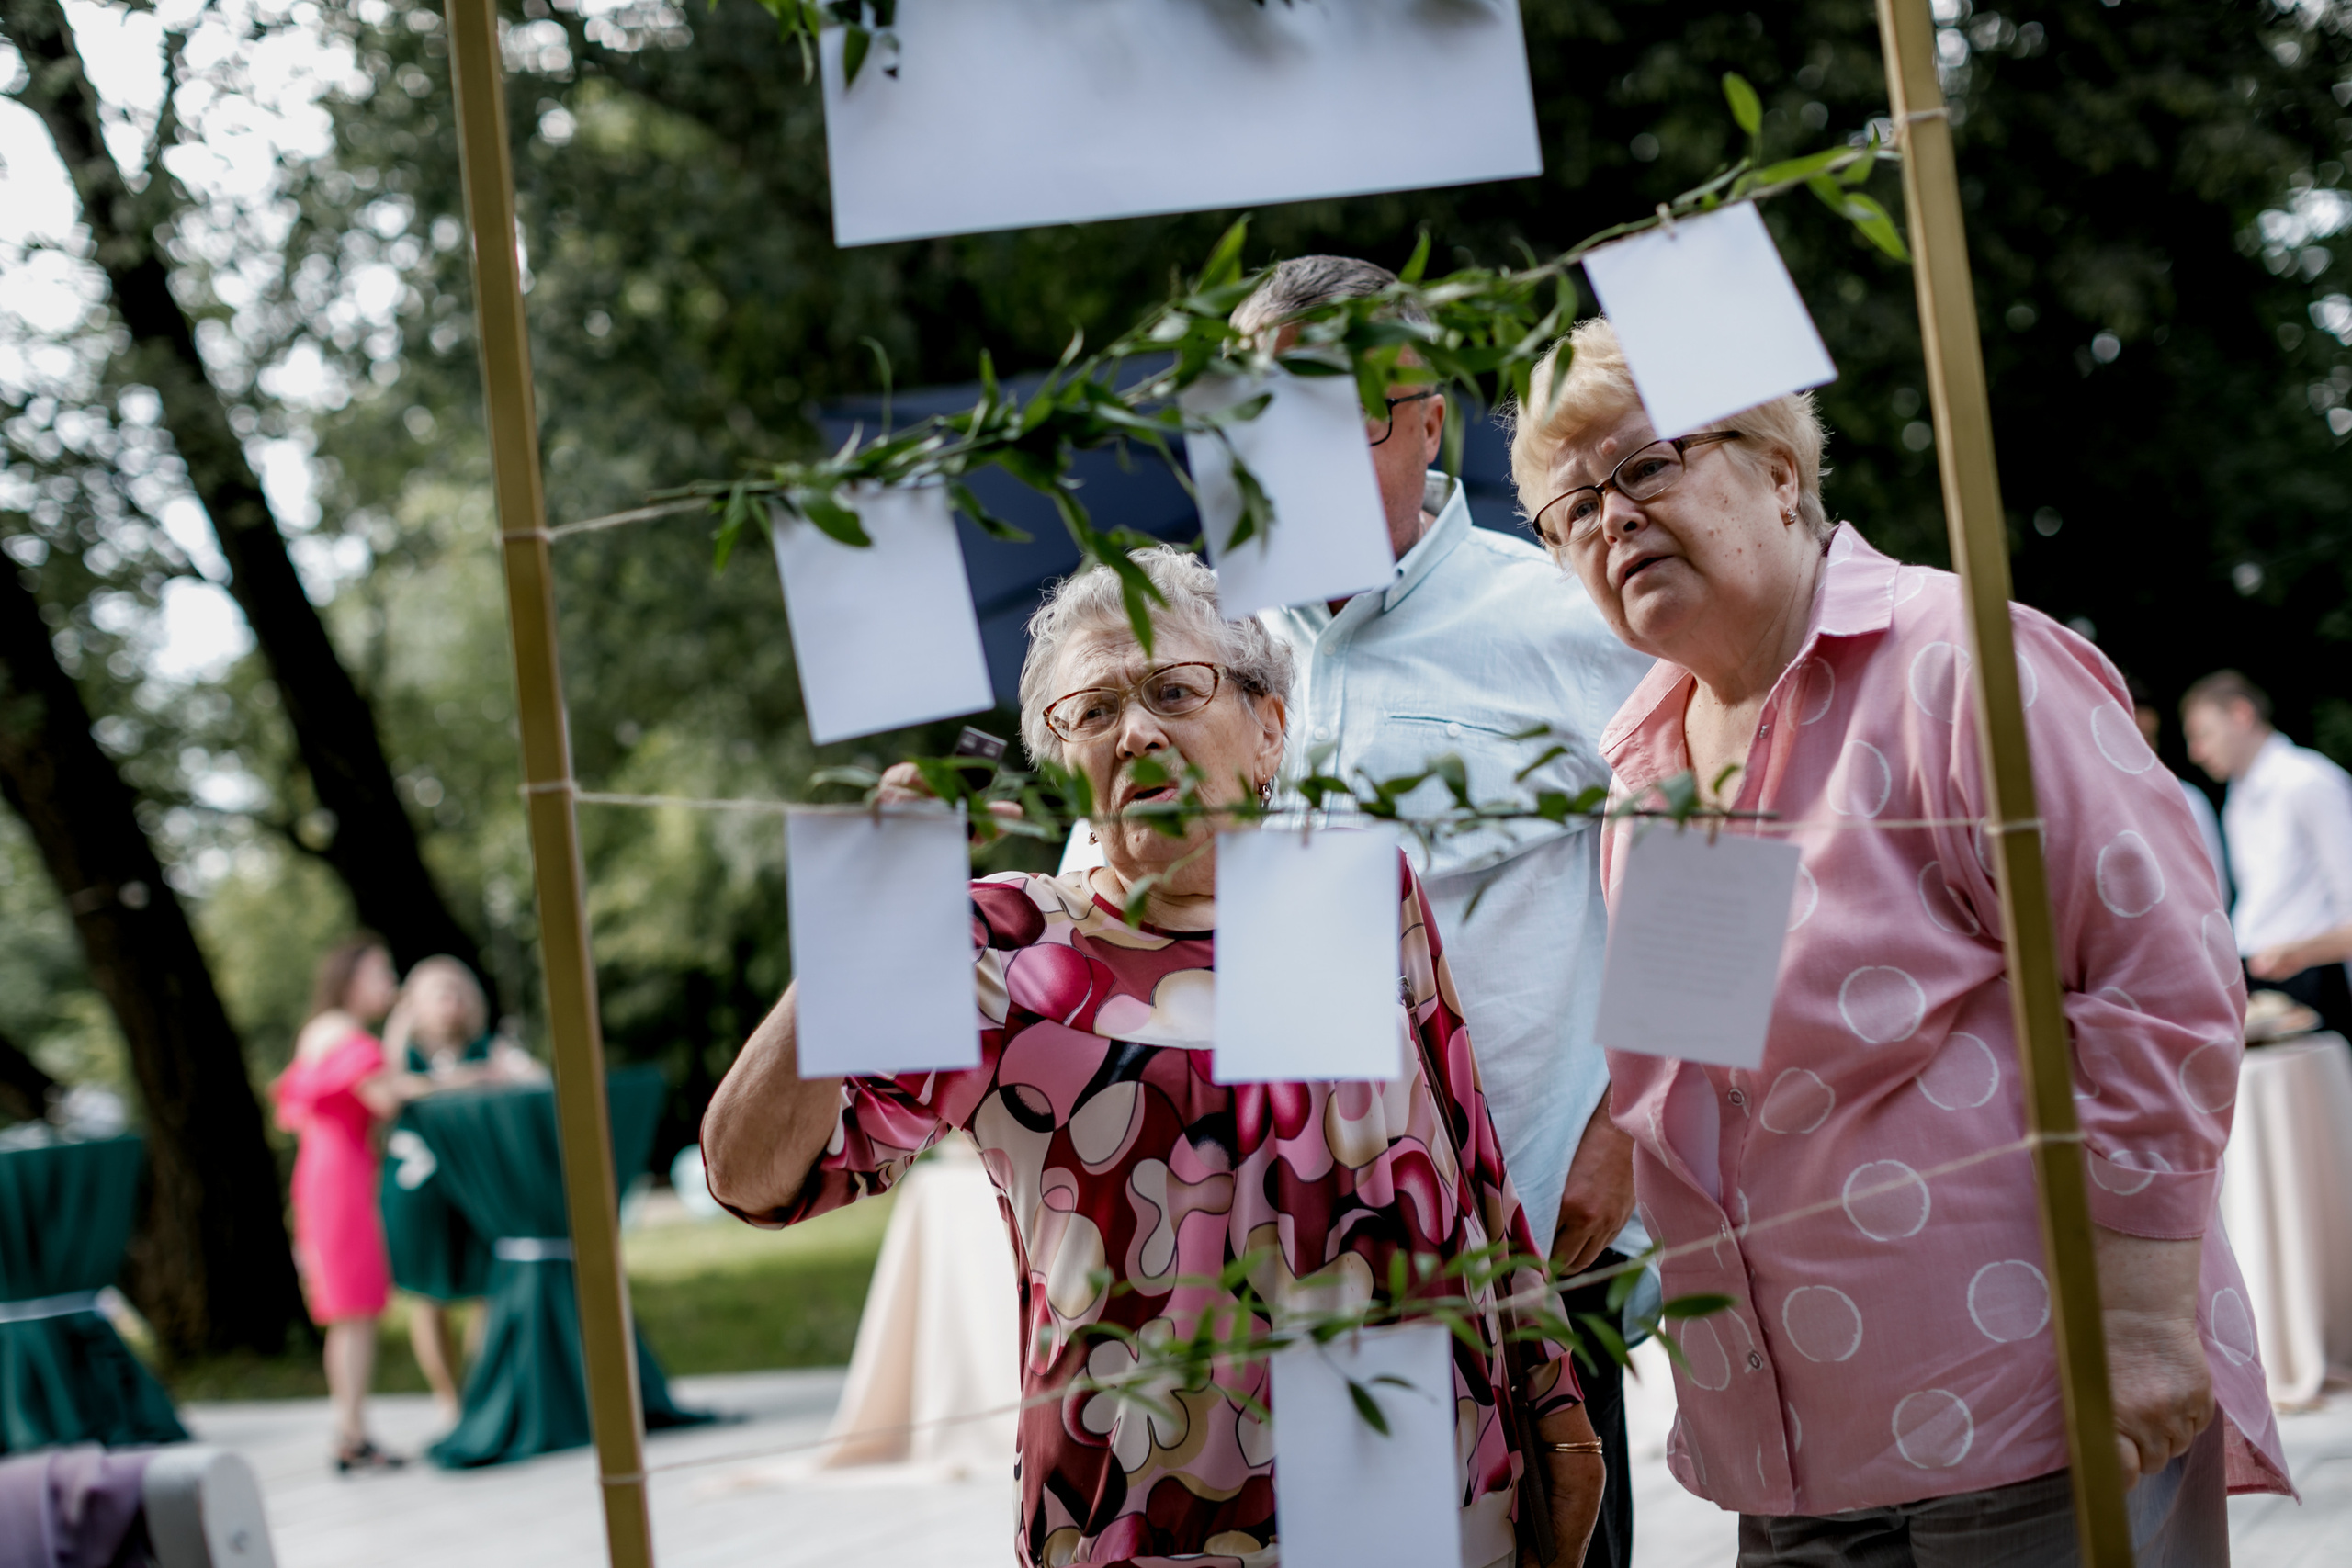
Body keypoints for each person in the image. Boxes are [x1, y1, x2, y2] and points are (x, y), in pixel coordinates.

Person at [1509, 317, 2290, 1563]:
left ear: (1779, 470)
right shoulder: (1655, 763)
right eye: (1572, 509)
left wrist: (2144, 1319)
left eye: (1646, 465)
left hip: (2030, 1409)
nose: (1614, 518)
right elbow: (1700, 1075)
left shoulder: (1958, 661)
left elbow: (2156, 978)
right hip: (1795, 1451)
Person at [703, 547, 1602, 1568]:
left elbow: (1473, 1172)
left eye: (1174, 691)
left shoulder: (1356, 889)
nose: (1136, 731)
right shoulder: (1003, 947)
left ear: (1268, 728)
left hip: (1410, 1481)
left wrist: (1555, 1408)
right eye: (1093, 712)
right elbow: (754, 1175)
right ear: (1066, 761)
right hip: (1148, 1506)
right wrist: (852, 932)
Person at [1231, 254, 1655, 1568]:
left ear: (1426, 419)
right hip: (1289, 1267)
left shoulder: (1567, 615)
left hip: (1529, 1254)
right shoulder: (1198, 657)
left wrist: (1629, 1126)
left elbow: (1730, 844)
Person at [378, 956, 543, 1426]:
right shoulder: (405, 1055)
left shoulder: (489, 1048)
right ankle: (448, 1399)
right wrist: (399, 1032)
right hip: (418, 1189)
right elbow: (389, 1094)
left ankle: (477, 1392)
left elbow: (534, 1080)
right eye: (439, 994)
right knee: (427, 1297)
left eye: (458, 992)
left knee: (486, 1288)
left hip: (476, 1186)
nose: (451, 1003)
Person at [272, 933, 407, 1473]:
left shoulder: (318, 1031)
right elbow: (387, 1100)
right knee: (355, 1310)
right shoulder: (347, 1035)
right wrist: (401, 1031)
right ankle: (351, 1434)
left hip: (327, 1173)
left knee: (350, 1313)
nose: (390, 984)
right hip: (343, 1179)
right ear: (351, 980)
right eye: (381, 974)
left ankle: (351, 1430)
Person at [2182, 669, 2352, 1039]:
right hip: (2261, 979)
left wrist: (2302, 952)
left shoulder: (2309, 780)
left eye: (2203, 734)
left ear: (2241, 714)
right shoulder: (2237, 800)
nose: (2196, 753)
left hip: (2316, 979)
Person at [2127, 673, 2227, 898]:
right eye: (2134, 737)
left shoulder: (2187, 799)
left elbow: (2215, 891)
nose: (2145, 749)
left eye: (2150, 737)